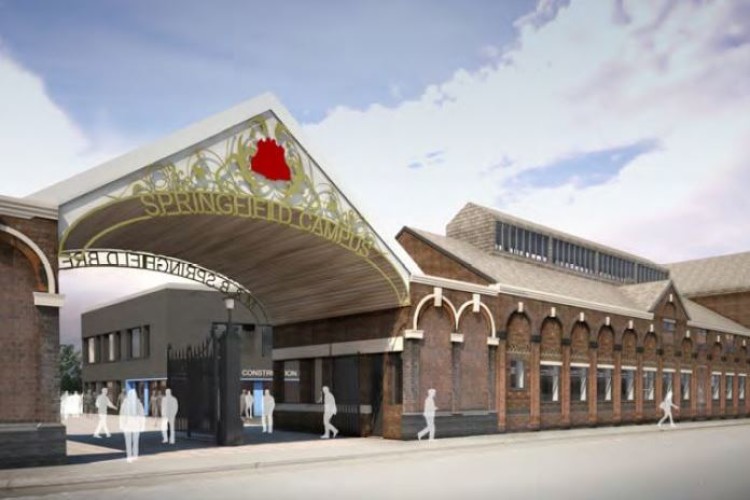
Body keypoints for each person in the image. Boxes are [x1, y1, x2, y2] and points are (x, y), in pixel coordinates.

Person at [119, 389, 146, 462]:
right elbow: (142, 415)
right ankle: (134, 455)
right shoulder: (138, 403)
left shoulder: (125, 403)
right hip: (134, 424)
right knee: (135, 441)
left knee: (129, 441)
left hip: (129, 424)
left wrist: (121, 425)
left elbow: (122, 415)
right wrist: (142, 425)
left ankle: (130, 456)